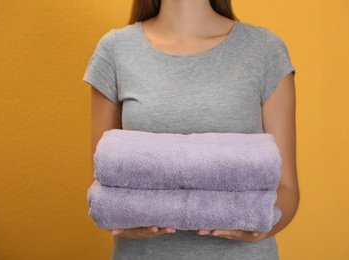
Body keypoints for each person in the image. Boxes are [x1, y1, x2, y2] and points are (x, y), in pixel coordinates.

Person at [83, 0, 300, 259]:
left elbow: (286, 186)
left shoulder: (264, 50)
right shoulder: (115, 50)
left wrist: (262, 225)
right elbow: (103, 177)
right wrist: (119, 217)